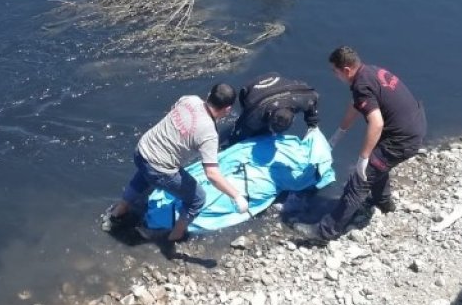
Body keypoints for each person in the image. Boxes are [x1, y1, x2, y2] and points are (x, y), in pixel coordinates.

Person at [293, 46, 427, 242]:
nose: (334, 74)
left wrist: (363, 158)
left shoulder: (361, 86)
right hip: (413, 123)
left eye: (335, 71)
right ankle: (383, 202)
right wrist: (339, 134)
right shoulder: (369, 72)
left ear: (346, 70)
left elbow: (377, 123)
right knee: (378, 164)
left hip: (402, 139)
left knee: (359, 180)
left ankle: (325, 232)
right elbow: (356, 104)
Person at [101, 84, 249, 242]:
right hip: (159, 168)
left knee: (144, 175)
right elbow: (212, 174)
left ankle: (117, 213)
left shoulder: (190, 100)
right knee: (197, 199)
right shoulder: (209, 134)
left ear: (208, 95)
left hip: (142, 150)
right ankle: (174, 236)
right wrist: (236, 196)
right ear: (227, 109)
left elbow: (174, 115)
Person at [226, 72, 321, 146]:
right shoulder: (254, 116)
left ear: (293, 118)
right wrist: (233, 142)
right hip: (251, 90)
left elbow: (313, 97)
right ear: (270, 115)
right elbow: (239, 130)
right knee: (255, 131)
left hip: (276, 79)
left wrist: (312, 126)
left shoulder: (302, 98)